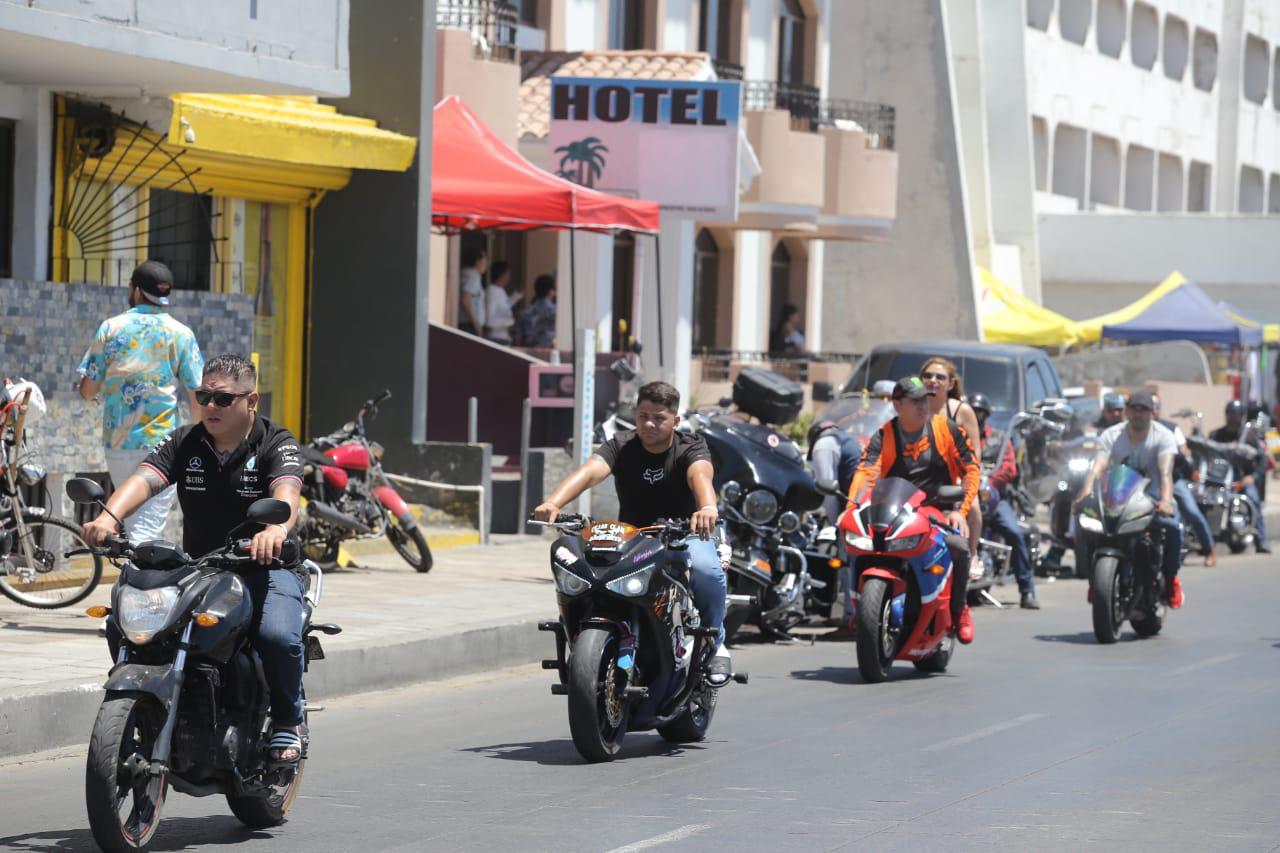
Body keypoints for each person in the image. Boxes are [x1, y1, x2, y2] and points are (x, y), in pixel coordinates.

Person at [81, 355, 308, 763]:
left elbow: (286, 492)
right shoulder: (186, 441)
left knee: (276, 636)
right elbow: (145, 478)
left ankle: (288, 722)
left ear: (251, 400)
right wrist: (107, 517)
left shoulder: (277, 442)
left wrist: (275, 530)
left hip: (266, 567)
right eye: (204, 396)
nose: (210, 407)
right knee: (128, 624)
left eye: (222, 399)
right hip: (203, 570)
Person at [532, 381, 732, 684]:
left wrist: (707, 509)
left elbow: (701, 475)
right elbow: (590, 471)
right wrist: (553, 502)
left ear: (675, 421)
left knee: (706, 570)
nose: (649, 424)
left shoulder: (690, 446)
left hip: (684, 534)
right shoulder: (622, 444)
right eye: (643, 416)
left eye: (659, 418)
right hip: (633, 538)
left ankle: (716, 643)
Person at [76, 260, 204, 545]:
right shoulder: (181, 334)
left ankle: (142, 586)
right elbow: (197, 392)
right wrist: (199, 434)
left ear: (136, 290)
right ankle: (145, 586)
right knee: (145, 531)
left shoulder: (111, 328)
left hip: (118, 444)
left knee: (134, 529)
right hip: (163, 446)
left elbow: (88, 390)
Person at [849, 376, 981, 644]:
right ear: (897, 405)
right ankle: (857, 608)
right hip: (894, 511)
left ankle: (959, 610)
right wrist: (851, 506)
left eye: (925, 400)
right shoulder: (883, 435)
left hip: (936, 511)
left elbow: (971, 469)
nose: (922, 406)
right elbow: (866, 472)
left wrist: (961, 510)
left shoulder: (947, 429)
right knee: (853, 542)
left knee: (958, 545)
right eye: (914, 401)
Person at [1076, 390, 1185, 608]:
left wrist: (1165, 501)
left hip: (1152, 498)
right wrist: (1084, 494)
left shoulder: (1163, 436)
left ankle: (1171, 578)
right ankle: (1095, 581)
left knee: (1173, 528)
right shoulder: (1111, 435)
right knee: (1087, 527)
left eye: (1143, 410)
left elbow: (1165, 473)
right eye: (1134, 409)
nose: (1138, 414)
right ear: (1126, 412)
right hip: (1118, 497)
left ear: (1152, 413)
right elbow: (1097, 468)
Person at [970, 394, 1039, 609]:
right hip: (967, 496)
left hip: (994, 498)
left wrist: (988, 481)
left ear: (986, 414)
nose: (976, 415)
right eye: (972, 411)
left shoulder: (1000, 437)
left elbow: (1009, 467)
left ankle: (1027, 591)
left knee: (1015, 534)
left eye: (979, 412)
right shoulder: (960, 436)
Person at [920, 357, 983, 556]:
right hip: (921, 474)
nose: (933, 381)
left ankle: (971, 556)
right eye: (927, 376)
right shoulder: (912, 407)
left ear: (951, 383)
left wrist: (964, 481)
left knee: (972, 507)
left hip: (957, 475)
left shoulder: (961, 411)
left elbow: (975, 454)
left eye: (940, 377)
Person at [807, 419, 862, 640]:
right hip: (867, 509)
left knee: (848, 565)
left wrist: (834, 523)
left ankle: (850, 621)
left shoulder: (824, 444)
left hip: (851, 514)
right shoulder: (849, 440)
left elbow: (828, 488)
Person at [1152, 394, 1217, 566]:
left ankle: (1209, 549)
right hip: (1147, 481)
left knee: (1191, 511)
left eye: (1151, 407)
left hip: (1174, 478)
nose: (1147, 412)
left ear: (1157, 410)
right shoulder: (1135, 430)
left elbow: (1184, 451)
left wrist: (1177, 457)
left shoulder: (1171, 428)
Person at [1210, 399, 1270, 554]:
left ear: (1241, 416)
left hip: (1241, 480)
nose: (1232, 417)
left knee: (1253, 500)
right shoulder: (1217, 435)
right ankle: (1206, 541)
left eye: (1235, 414)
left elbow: (1262, 459)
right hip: (1221, 480)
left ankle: (1261, 540)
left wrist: (1253, 477)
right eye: (1229, 413)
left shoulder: (1249, 435)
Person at [517, 273, 557, 349]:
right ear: (551, 291)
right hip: (549, 353)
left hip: (528, 354)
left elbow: (518, 339)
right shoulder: (555, 312)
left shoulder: (525, 312)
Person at [484, 261, 517, 345]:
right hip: (495, 338)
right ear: (502, 275)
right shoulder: (491, 291)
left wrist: (517, 296)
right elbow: (489, 321)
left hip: (504, 337)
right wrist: (510, 321)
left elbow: (505, 307)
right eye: (508, 274)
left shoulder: (501, 290)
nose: (508, 278)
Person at [458, 247, 487, 335]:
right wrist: (475, 323)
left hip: (466, 323)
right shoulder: (473, 276)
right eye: (485, 259)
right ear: (477, 261)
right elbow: (465, 299)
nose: (486, 263)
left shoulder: (466, 273)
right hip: (469, 325)